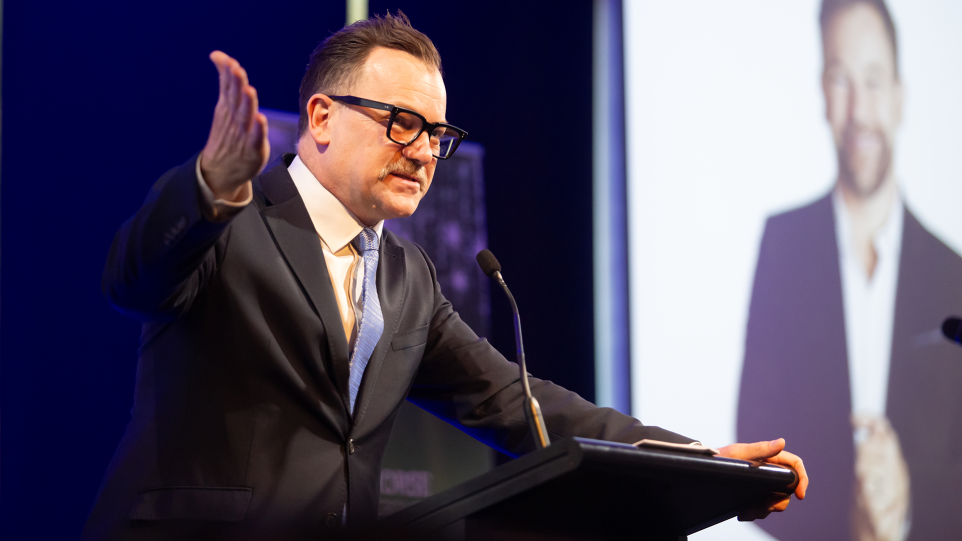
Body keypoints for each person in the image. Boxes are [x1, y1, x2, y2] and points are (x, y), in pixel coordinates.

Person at [85, 12, 807, 540]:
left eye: (437, 133)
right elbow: (133, 278)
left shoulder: (406, 277)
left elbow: (523, 406)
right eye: (402, 122)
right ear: (321, 117)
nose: (425, 152)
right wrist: (210, 183)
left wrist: (698, 461)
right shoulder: (232, 217)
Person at [738, 0, 962, 539]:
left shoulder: (953, 274)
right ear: (821, 92)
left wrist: (903, 514)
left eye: (874, 80)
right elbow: (752, 448)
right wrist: (848, 525)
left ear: (902, 97)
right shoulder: (783, 245)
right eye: (841, 79)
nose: (859, 109)